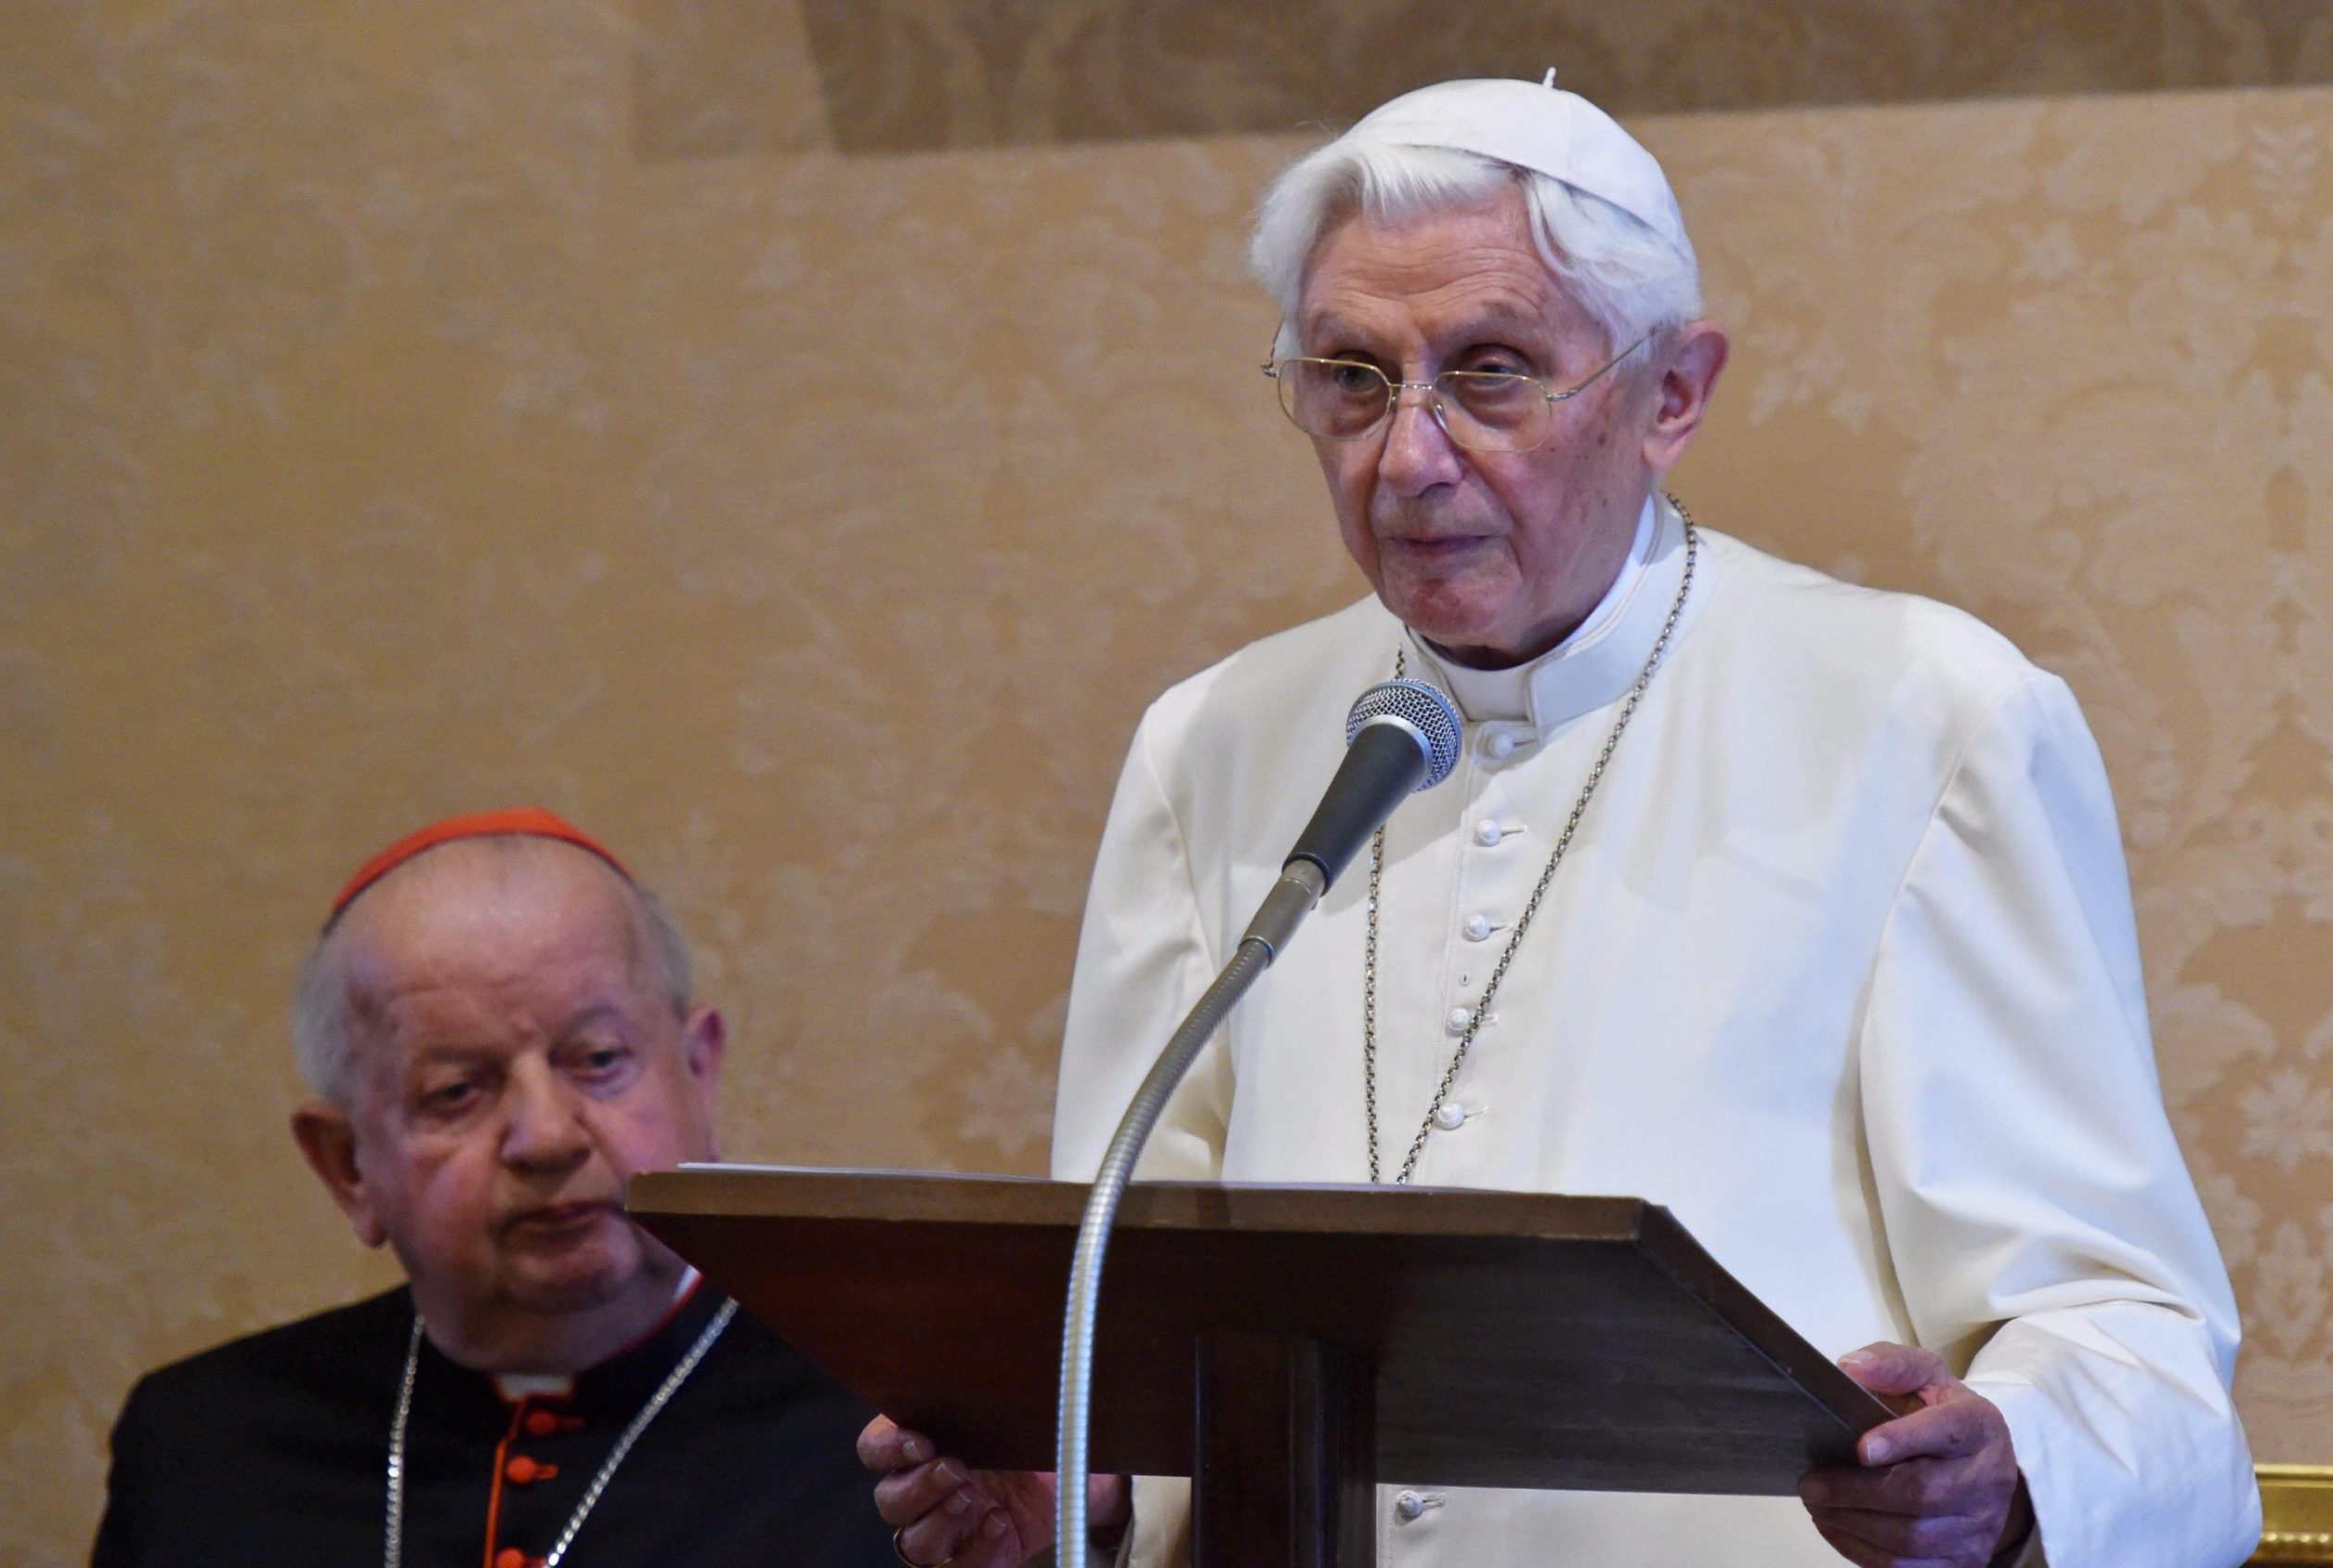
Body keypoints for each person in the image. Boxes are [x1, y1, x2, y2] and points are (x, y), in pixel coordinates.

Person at [864, 77, 2261, 1568]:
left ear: (1672, 394)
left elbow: (2126, 1334)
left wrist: (2009, 1467)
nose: (1408, 458)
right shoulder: (1212, 745)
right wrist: (1078, 1491)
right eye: (1352, 377)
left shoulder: (1929, 719)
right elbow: (1129, 1315)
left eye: (1492, 373)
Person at [95, 808, 898, 1567]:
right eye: (456, 1091)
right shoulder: (203, 1447)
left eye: (599, 1059)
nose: (547, 1137)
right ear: (347, 1166)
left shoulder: (904, 1440)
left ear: (698, 1072)